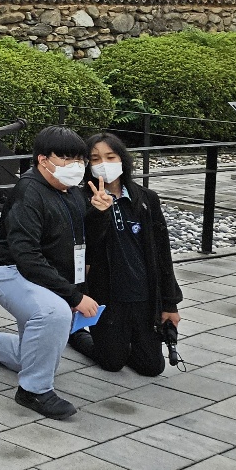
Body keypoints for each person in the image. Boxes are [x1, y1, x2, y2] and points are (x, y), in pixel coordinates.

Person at [0, 126, 109, 419]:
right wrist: (74, 297)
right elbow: (26, 256)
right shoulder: (28, 192)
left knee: (39, 355)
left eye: (80, 159)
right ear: (43, 160)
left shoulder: (72, 192)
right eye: (66, 159)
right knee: (55, 314)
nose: (76, 167)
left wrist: (98, 213)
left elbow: (82, 239)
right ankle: (33, 391)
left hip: (44, 274)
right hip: (10, 271)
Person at [69, 133, 183, 376]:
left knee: (152, 367)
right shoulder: (80, 199)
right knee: (111, 362)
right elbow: (84, 247)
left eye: (110, 157)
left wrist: (169, 303)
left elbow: (162, 252)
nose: (104, 164)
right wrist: (98, 213)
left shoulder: (146, 199)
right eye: (95, 158)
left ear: (123, 159)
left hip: (143, 293)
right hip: (107, 294)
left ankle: (128, 341)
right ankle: (78, 334)